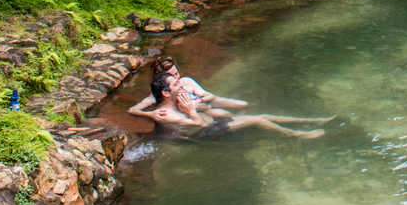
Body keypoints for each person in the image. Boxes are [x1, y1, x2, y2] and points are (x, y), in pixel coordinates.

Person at [128, 59, 330, 138]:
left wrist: (195, 106)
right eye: (175, 84)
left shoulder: (175, 101)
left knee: (261, 114)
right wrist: (191, 110)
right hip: (205, 133)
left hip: (211, 122)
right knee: (257, 119)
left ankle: (310, 121)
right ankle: (297, 135)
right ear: (165, 92)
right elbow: (197, 125)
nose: (180, 83)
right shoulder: (164, 113)